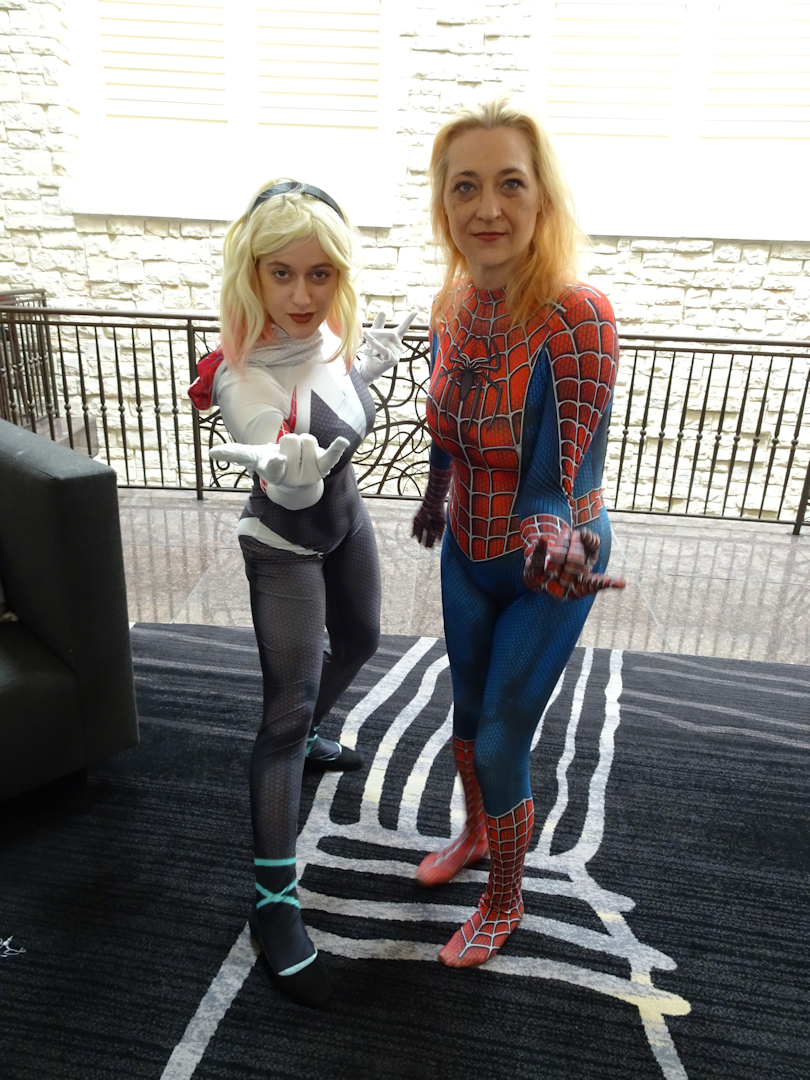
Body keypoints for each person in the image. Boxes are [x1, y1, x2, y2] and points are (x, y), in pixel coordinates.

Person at [188, 179, 415, 1006]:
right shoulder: (242, 375)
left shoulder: (329, 338)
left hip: (347, 521)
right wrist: (282, 469)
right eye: (280, 273)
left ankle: (318, 732)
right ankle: (274, 901)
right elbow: (267, 443)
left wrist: (368, 372)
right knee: (284, 714)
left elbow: (341, 404)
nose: (300, 294)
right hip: (284, 545)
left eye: (320, 274)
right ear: (251, 273)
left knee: (361, 641)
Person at [411, 99, 625, 968]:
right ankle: (477, 834)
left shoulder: (578, 316)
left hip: (552, 561)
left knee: (502, 735)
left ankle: (506, 899)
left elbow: (554, 479)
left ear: (543, 198)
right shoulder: (455, 302)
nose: (488, 207)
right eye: (466, 187)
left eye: (510, 184)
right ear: (444, 203)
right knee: (465, 715)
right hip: (470, 549)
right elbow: (446, 423)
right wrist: (436, 496)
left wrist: (554, 538)